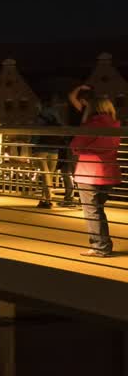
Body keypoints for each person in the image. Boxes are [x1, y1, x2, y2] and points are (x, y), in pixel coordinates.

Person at [71, 96, 121, 258]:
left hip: (89, 172)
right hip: (108, 172)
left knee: (92, 211)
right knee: (98, 210)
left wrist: (83, 150)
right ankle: (103, 244)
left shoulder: (92, 125)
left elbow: (75, 146)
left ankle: (100, 247)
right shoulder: (115, 124)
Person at [32, 97, 74, 209]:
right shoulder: (57, 116)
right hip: (54, 148)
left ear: (41, 105)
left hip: (41, 147)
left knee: (45, 174)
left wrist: (32, 146)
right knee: (49, 174)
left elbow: (36, 133)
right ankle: (44, 199)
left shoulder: (40, 116)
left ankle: (48, 199)